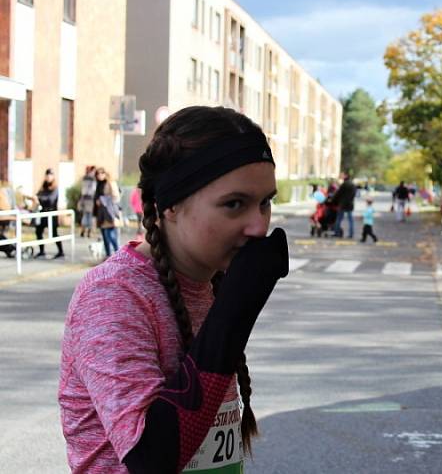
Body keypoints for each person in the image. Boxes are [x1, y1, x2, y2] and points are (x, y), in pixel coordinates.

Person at [58, 106, 289, 472]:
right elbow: (150, 459)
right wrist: (234, 313)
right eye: (234, 204)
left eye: (265, 203)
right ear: (170, 206)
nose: (259, 226)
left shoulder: (209, 281)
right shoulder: (113, 295)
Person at [34, 168, 64, 259]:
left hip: (51, 213)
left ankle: (61, 251)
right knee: (38, 231)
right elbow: (38, 195)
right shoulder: (43, 187)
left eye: (50, 175)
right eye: (47, 175)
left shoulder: (55, 188)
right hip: (43, 213)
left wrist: (39, 199)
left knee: (54, 233)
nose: (48, 177)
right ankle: (42, 251)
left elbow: (51, 200)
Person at [94, 168, 122, 258]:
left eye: (101, 173)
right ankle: (108, 255)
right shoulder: (98, 184)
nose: (99, 175)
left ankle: (119, 255)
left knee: (110, 235)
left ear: (105, 174)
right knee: (105, 236)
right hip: (101, 213)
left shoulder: (110, 183)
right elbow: (96, 197)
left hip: (110, 212)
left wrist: (103, 199)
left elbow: (116, 197)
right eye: (97, 174)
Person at [331, 172, 356, 238]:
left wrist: (332, 200)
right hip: (350, 204)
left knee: (339, 219)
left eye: (343, 175)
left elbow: (338, 194)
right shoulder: (352, 184)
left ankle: (337, 232)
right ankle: (351, 234)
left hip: (342, 204)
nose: (342, 176)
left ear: (346, 176)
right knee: (350, 220)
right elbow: (354, 194)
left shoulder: (344, 184)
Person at [78, 165, 96, 239]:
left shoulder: (84, 178)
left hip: (84, 199)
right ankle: (88, 232)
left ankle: (83, 231)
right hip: (90, 199)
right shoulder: (92, 179)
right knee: (89, 216)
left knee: (85, 215)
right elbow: (93, 189)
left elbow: (82, 190)